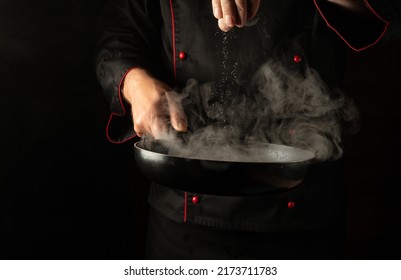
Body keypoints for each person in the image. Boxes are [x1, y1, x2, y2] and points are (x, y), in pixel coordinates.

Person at [95, 0, 401, 259]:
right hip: (184, 215)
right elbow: (119, 34)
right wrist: (136, 85)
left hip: (302, 214)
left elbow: (390, 12)